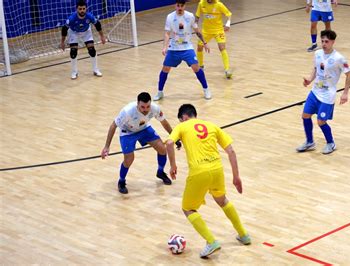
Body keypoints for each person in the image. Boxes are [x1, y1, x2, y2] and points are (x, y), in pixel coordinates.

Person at [165, 104, 251, 258]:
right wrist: (236, 176)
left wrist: (172, 165)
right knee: (222, 200)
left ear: (183, 118)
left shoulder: (182, 126)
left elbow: (170, 143)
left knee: (188, 208)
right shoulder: (212, 126)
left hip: (199, 172)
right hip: (217, 170)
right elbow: (231, 151)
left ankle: (211, 241)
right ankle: (244, 235)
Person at [101, 92, 180, 194]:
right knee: (129, 159)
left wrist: (174, 137)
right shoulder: (127, 112)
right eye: (142, 107)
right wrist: (107, 146)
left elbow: (164, 122)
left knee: (162, 149)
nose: (145, 110)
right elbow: (113, 126)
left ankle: (160, 172)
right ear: (137, 104)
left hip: (144, 128)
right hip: (127, 133)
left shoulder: (155, 108)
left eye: (147, 106)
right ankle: (121, 181)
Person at [296, 30, 350, 154]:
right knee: (305, 116)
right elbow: (316, 68)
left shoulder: (339, 58)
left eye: (326, 41)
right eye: (322, 41)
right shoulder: (318, 54)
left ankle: (331, 143)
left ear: (333, 42)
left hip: (327, 95)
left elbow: (349, 74)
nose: (324, 44)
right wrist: (309, 80)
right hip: (315, 92)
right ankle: (310, 142)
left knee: (321, 121)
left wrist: (345, 93)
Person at [153, 0, 212, 101]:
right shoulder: (170, 17)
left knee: (196, 67)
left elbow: (197, 31)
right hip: (174, 48)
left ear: (185, 6)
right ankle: (160, 92)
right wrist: (165, 47)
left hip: (187, 48)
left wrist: (205, 43)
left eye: (182, 6)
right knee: (165, 69)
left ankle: (206, 89)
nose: (180, 8)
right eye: (178, 5)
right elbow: (167, 33)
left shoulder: (190, 16)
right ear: (175, 6)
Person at [60, 0, 106, 79]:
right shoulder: (72, 18)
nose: (82, 11)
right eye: (80, 9)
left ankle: (95, 70)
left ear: (86, 9)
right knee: (73, 52)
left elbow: (98, 25)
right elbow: (64, 29)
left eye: (83, 9)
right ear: (76, 9)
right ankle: (74, 72)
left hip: (86, 32)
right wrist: (62, 42)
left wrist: (102, 36)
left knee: (92, 50)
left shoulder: (89, 16)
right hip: (74, 32)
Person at [195, 0, 233, 79]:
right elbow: (197, 16)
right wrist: (195, 24)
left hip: (218, 30)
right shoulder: (201, 3)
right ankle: (201, 66)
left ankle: (227, 69)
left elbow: (229, 14)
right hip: (206, 31)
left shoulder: (219, 5)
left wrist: (228, 24)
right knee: (199, 47)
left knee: (222, 47)